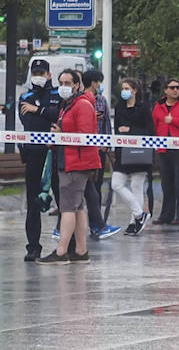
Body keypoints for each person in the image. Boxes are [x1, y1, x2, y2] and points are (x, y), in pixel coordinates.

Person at [38, 69, 99, 265]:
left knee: (67, 208)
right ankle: (80, 251)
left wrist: (61, 133)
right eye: (61, 82)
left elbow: (85, 135)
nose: (63, 86)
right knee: (77, 207)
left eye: (67, 82)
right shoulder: (69, 105)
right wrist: (57, 137)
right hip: (69, 160)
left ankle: (61, 251)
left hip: (76, 163)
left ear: (77, 85)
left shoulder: (82, 105)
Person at [18, 60, 62, 261]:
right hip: (34, 154)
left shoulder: (58, 95)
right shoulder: (25, 96)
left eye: (41, 72)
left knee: (63, 200)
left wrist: (37, 110)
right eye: (35, 72)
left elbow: (58, 116)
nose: (38, 76)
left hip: (55, 154)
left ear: (49, 75)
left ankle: (66, 244)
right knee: (33, 202)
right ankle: (33, 247)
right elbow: (28, 122)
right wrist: (44, 114)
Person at [80, 69, 122, 240]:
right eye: (99, 82)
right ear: (94, 82)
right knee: (86, 190)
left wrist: (106, 144)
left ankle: (95, 225)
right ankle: (94, 224)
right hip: (86, 150)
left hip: (99, 150)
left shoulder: (102, 100)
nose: (100, 85)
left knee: (95, 188)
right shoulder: (83, 100)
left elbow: (106, 124)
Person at [113, 77, 154, 236]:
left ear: (135, 90)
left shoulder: (144, 108)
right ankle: (139, 214)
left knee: (137, 186)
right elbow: (117, 129)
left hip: (139, 152)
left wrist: (130, 130)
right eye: (122, 88)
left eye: (127, 88)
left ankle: (133, 222)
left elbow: (150, 131)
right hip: (122, 152)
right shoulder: (119, 107)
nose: (124, 91)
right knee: (116, 184)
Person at [152, 78, 179, 226]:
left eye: (177, 87)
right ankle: (166, 215)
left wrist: (174, 121)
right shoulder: (158, 106)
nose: (175, 90)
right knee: (166, 184)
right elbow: (154, 125)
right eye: (172, 87)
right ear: (165, 90)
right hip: (164, 149)